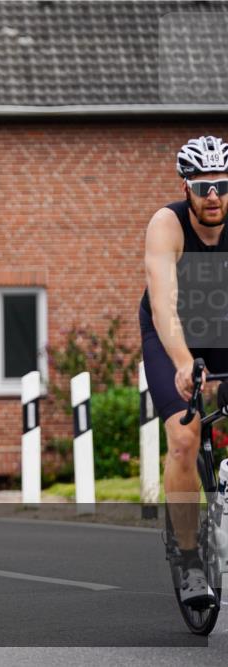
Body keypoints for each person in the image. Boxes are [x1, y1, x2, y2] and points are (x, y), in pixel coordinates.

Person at [140, 135, 228, 608]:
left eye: (222, 184)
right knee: (184, 437)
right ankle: (190, 558)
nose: (213, 195)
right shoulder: (167, 225)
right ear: (186, 186)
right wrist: (182, 363)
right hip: (172, 332)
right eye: (202, 186)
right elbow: (164, 306)